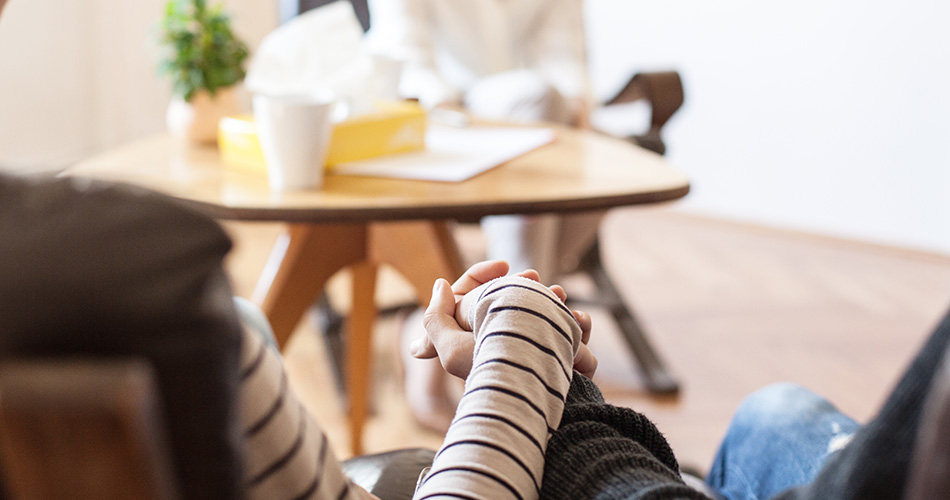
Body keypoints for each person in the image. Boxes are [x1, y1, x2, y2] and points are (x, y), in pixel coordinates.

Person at [364, 0, 607, 433]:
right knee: (535, 98)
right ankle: (519, 356)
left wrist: (574, 104)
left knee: (605, 164)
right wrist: (457, 111)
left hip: (540, 129)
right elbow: (406, 51)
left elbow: (564, 55)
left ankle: (461, 325)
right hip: (442, 118)